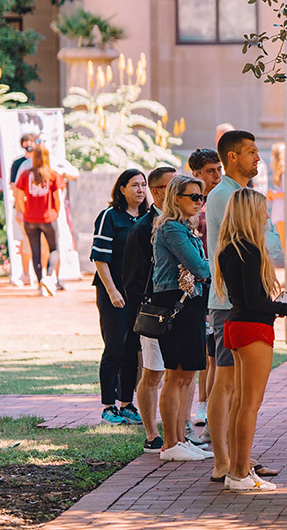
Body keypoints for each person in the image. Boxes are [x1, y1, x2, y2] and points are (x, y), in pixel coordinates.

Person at [213, 188, 287, 492]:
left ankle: (237, 470)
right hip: (253, 327)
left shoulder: (229, 248)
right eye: (262, 210)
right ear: (250, 213)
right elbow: (256, 300)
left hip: (236, 324)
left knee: (241, 402)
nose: (267, 216)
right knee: (248, 404)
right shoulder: (249, 250)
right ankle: (240, 472)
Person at [204, 130, 285, 481]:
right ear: (232, 157)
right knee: (226, 385)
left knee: (238, 389)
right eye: (251, 152)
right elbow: (261, 243)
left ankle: (240, 459)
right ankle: (225, 461)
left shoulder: (243, 195)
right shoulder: (227, 196)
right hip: (232, 304)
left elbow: (274, 246)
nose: (258, 159)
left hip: (243, 301)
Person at [149, 174, 214, 462]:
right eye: (194, 197)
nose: (200, 202)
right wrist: (219, 262)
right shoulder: (171, 228)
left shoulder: (185, 228)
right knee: (175, 375)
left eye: (201, 197)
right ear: (177, 198)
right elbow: (199, 268)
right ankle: (171, 444)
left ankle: (179, 439)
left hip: (191, 303)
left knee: (186, 375)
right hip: (176, 303)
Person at [123, 165, 175, 453]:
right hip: (154, 312)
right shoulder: (143, 228)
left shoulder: (182, 223)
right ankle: (152, 434)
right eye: (173, 187)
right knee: (153, 373)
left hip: (181, 312)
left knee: (180, 373)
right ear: (157, 191)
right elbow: (132, 279)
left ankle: (178, 430)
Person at [91, 169, 149, 425]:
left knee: (133, 349)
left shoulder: (148, 217)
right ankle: (108, 406)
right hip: (112, 292)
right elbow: (99, 258)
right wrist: (112, 291)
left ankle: (127, 403)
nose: (140, 190)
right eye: (134, 185)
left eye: (143, 185)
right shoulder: (109, 217)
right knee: (114, 347)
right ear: (122, 188)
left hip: (138, 294)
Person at [185, 148, 222, 429]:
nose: (217, 176)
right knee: (202, 350)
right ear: (196, 173)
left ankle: (209, 406)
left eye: (219, 170)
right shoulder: (190, 202)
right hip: (197, 282)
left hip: (219, 280)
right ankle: (201, 405)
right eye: (211, 171)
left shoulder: (224, 198)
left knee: (216, 351)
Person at [16, 144, 65, 297]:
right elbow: (58, 199)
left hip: (30, 219)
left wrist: (25, 212)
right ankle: (49, 277)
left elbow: (18, 197)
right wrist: (55, 212)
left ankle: (40, 284)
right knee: (54, 248)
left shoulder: (25, 175)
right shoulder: (53, 175)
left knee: (35, 251)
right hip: (48, 217)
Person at [8, 130, 38, 287]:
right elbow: (14, 186)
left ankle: (41, 273)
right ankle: (26, 273)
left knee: (40, 241)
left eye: (31, 142)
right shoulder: (17, 164)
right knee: (25, 240)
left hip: (39, 208)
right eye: (26, 143)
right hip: (22, 208)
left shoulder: (42, 162)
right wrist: (21, 207)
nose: (29, 145)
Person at [268, 142, 287, 230]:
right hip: (280, 211)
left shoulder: (285, 173)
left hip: (284, 212)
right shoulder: (280, 173)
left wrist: (274, 193)